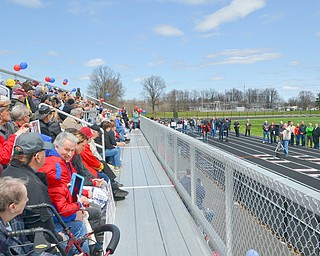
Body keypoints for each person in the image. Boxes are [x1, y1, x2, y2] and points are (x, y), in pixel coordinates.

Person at [0, 177, 34, 256]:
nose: (27, 200)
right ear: (13, 207)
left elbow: (24, 246)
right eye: (25, 198)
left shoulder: (14, 220)